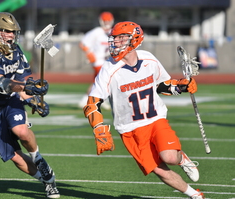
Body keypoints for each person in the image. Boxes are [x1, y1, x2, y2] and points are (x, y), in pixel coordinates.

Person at [83, 21, 205, 199]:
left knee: (169, 157)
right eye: (114, 39)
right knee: (160, 170)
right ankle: (195, 195)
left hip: (155, 119)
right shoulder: (108, 70)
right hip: (130, 129)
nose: (116, 43)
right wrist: (98, 128)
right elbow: (92, 103)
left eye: (121, 38)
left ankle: (182, 158)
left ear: (135, 40)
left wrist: (180, 86)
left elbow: (161, 85)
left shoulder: (148, 58)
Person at [0, 12, 60, 199]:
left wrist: (32, 98)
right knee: (14, 156)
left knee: (21, 131)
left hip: (9, 101)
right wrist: (28, 87)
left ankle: (38, 158)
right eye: (5, 31)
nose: (10, 35)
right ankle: (48, 181)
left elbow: (19, 88)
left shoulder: (17, 52)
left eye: (13, 32)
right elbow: (1, 84)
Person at [78, 11, 114, 109]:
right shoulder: (97, 32)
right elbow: (83, 44)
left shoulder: (113, 32)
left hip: (108, 61)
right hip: (98, 61)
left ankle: (92, 100)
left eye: (108, 21)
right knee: (104, 81)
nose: (107, 23)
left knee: (98, 82)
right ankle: (91, 100)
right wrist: (89, 53)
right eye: (105, 21)